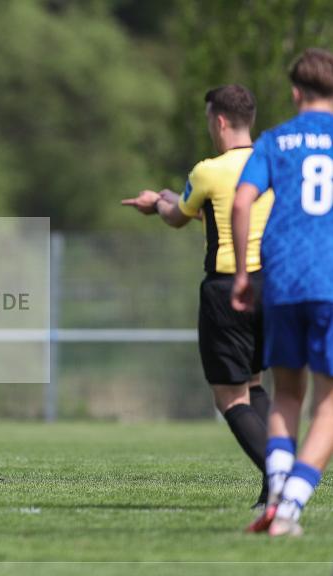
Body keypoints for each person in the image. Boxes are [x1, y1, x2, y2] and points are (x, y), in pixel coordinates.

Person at [122, 84, 274, 508]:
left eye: (210, 119)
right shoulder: (273, 162)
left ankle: (281, 474)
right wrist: (172, 200)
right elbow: (205, 209)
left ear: (220, 121)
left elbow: (176, 217)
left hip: (227, 287)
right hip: (271, 286)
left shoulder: (209, 169)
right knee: (254, 383)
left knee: (228, 395)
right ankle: (274, 485)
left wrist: (156, 203)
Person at [232, 48, 333, 536]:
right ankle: (289, 507)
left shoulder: (274, 140)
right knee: (330, 402)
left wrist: (244, 275)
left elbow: (243, 198)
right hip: (331, 281)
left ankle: (274, 490)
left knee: (286, 393)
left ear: (296, 92)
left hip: (285, 280)